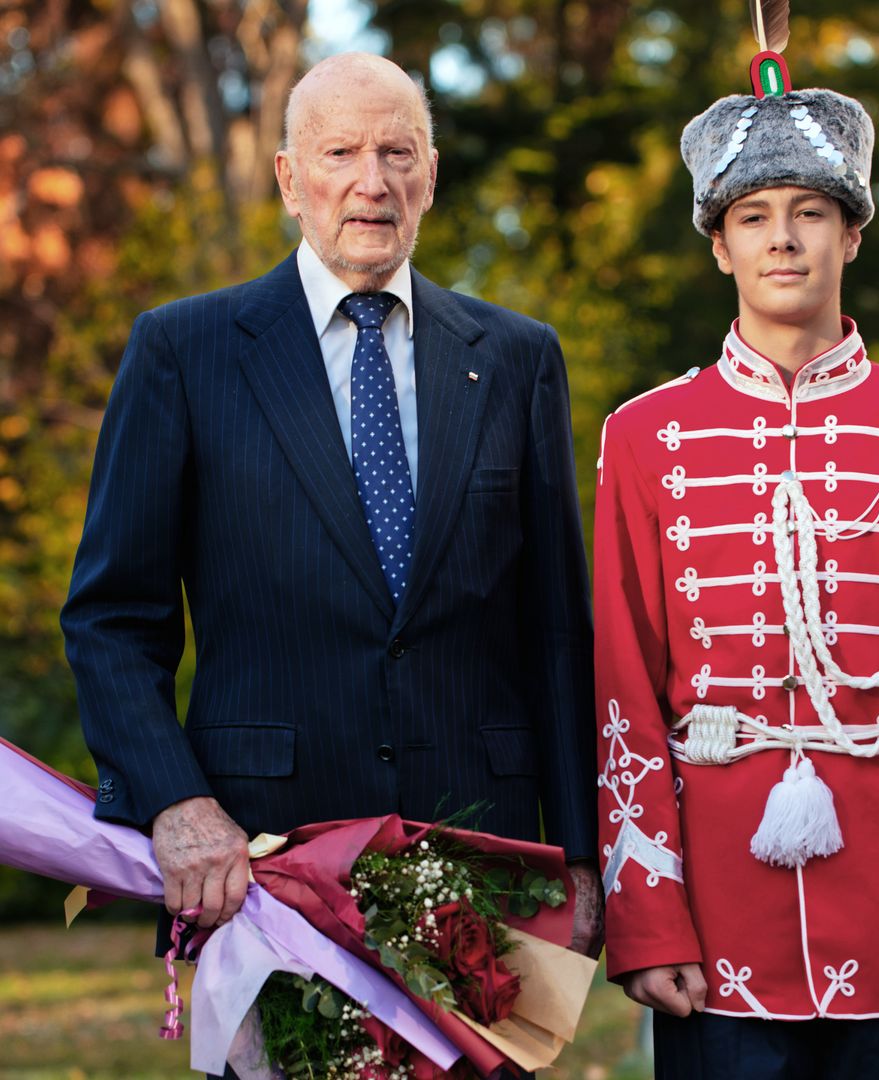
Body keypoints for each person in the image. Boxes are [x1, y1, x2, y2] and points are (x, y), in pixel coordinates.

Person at [62, 49, 601, 1020]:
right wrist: (176, 803)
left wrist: (581, 855)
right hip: (260, 859)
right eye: (340, 152)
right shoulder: (185, 351)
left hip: (479, 861)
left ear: (429, 176)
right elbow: (111, 620)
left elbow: (558, 630)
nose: (371, 181)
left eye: (398, 152)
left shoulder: (518, 359)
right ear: (289, 178)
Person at [593, 53, 879, 1080]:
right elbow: (622, 692)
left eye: (811, 212)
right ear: (720, 245)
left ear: (853, 233)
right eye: (753, 217)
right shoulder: (645, 435)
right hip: (714, 918)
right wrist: (648, 917)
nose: (782, 238)